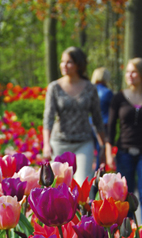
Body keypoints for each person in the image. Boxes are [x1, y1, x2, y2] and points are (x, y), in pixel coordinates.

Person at [105, 58, 142, 224]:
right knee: (125, 196)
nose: (129, 75)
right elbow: (110, 127)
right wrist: (109, 153)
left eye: (134, 72)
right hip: (124, 152)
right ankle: (127, 234)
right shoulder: (119, 98)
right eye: (128, 72)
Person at [43, 47, 104, 183]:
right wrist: (46, 144)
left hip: (83, 143)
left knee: (82, 184)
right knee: (60, 185)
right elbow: (48, 118)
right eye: (62, 61)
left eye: (69, 62)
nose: (64, 65)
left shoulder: (90, 88)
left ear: (78, 64)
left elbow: (97, 119)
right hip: (59, 143)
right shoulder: (54, 87)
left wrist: (103, 146)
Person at [91, 67, 113, 168]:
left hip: (89, 124)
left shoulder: (89, 90)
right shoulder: (108, 92)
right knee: (101, 150)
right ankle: (98, 173)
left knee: (90, 151)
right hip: (103, 125)